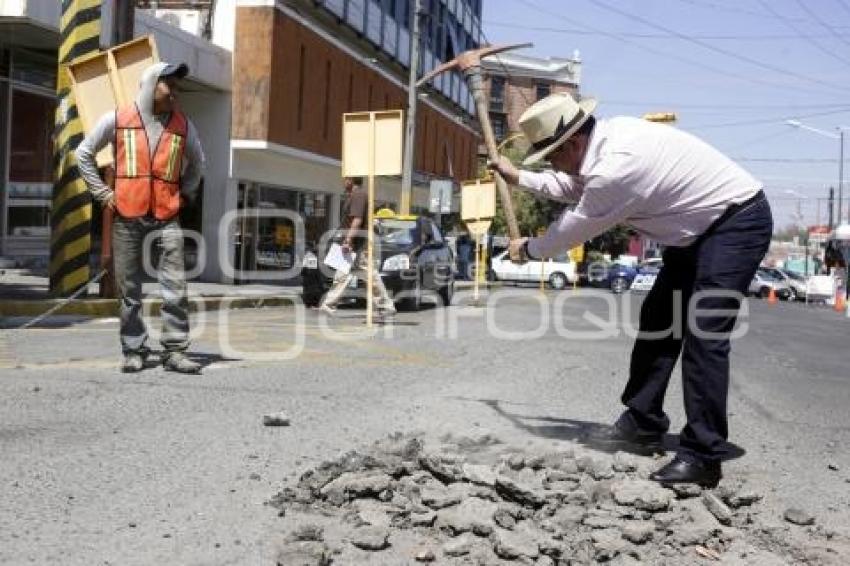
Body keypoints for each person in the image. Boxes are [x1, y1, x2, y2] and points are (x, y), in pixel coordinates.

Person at [490, 93, 773, 487]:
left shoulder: (618, 166)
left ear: (572, 143)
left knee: (705, 334)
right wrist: (519, 177)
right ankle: (643, 421)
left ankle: (703, 455)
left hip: (734, 223)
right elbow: (574, 185)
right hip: (693, 233)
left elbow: (580, 220)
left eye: (552, 157)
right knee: (659, 321)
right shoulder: (603, 144)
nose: (553, 165)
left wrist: (532, 250)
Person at [76, 62, 205, 374]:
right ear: (151, 84)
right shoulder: (118, 119)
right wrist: (105, 195)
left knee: (175, 287)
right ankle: (134, 350)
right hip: (127, 216)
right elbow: (83, 153)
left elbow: (198, 163)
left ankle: (174, 350)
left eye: (176, 88)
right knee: (129, 290)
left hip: (167, 216)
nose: (174, 93)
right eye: (168, 86)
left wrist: (186, 194)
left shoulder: (183, 126)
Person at [319, 177, 396, 316]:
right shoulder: (354, 195)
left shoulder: (359, 195)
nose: (343, 181)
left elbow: (357, 219)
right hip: (355, 243)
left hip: (358, 244)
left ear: (350, 180)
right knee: (342, 275)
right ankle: (328, 304)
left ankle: (386, 305)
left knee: (369, 275)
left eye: (345, 179)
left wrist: (349, 240)